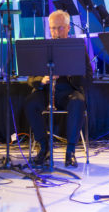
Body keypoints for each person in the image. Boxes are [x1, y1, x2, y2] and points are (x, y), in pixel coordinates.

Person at [24, 9, 91, 168]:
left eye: (60, 28)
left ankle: (70, 151)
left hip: (69, 92)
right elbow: (30, 79)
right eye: (53, 28)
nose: (56, 32)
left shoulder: (77, 47)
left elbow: (88, 77)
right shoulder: (43, 47)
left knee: (78, 102)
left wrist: (70, 71)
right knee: (30, 103)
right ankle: (44, 147)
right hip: (46, 92)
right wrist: (42, 80)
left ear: (68, 28)